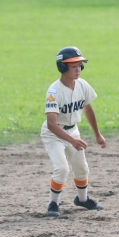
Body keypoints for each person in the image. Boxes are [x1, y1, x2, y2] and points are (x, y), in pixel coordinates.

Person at [41, 46, 107, 217]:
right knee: (62, 168)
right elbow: (51, 124)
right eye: (73, 66)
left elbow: (88, 109)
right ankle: (54, 203)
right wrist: (72, 141)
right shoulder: (54, 92)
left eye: (80, 65)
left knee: (82, 168)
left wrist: (97, 134)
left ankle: (82, 199)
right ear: (62, 67)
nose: (78, 69)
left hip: (73, 132)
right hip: (54, 134)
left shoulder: (82, 85)